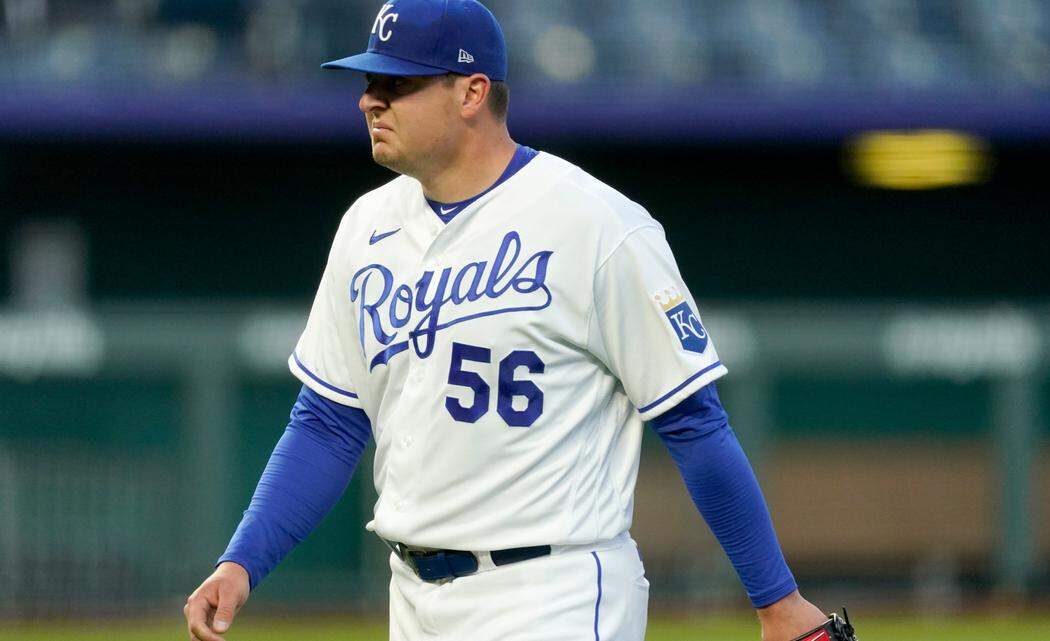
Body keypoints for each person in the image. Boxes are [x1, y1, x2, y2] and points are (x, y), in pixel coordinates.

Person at [183, 2, 857, 640]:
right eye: (368, 82)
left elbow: (694, 421)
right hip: (412, 597)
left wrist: (777, 600)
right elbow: (329, 420)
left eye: (397, 83)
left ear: (472, 93)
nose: (369, 100)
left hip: (553, 587)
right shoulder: (366, 228)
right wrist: (242, 561)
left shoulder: (597, 226)